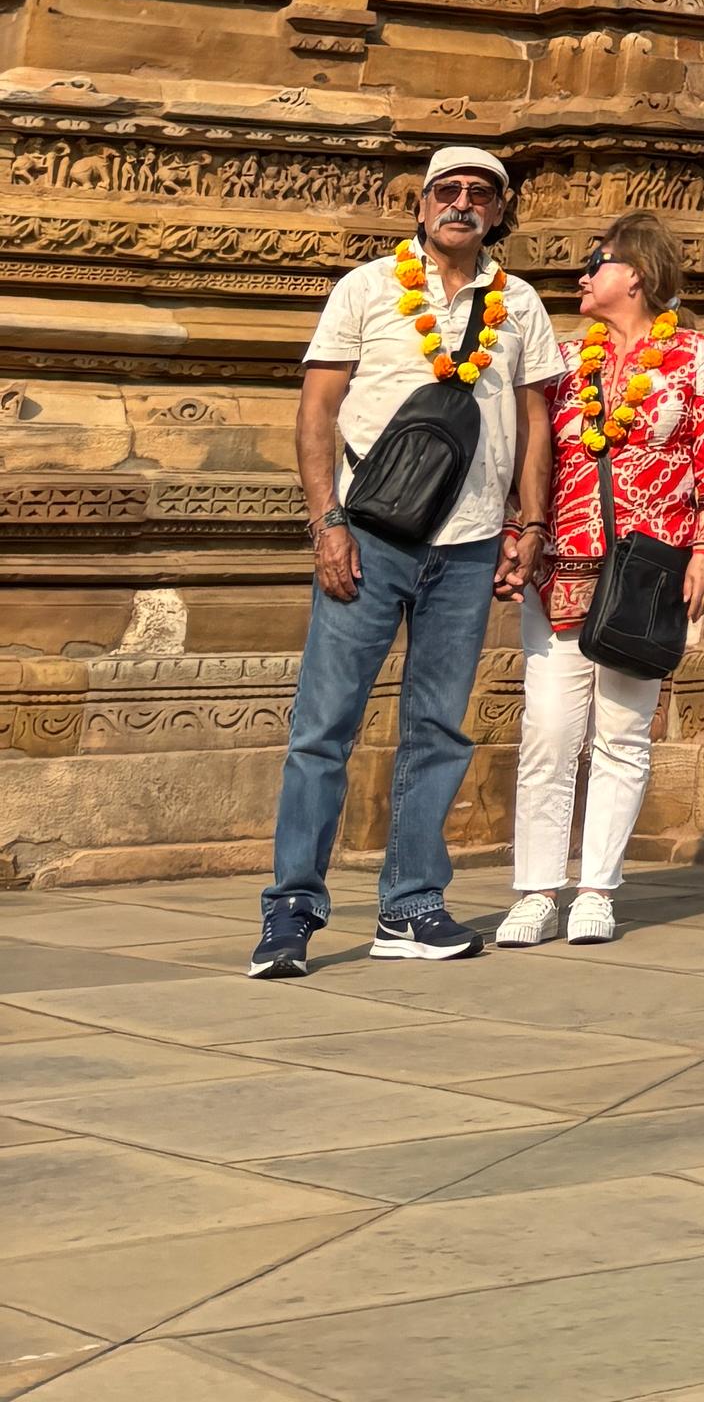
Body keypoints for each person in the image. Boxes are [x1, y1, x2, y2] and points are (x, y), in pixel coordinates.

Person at [251, 143, 562, 977]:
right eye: (446, 190)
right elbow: (317, 408)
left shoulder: (520, 303)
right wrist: (327, 523)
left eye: (479, 193)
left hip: (470, 544)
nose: (462, 203)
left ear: (499, 211)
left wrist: (532, 525)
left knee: (439, 731)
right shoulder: (366, 287)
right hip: (368, 536)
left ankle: (412, 904)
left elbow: (535, 419)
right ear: (421, 205)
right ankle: (290, 912)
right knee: (324, 727)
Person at [500, 212, 704, 948]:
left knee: (624, 734)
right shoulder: (565, 360)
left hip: (649, 573)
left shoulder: (694, 357)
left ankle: (597, 889)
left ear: (635, 273)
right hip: (562, 570)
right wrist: (517, 534)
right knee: (548, 733)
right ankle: (537, 890)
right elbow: (531, 459)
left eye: (595, 261)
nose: (582, 275)